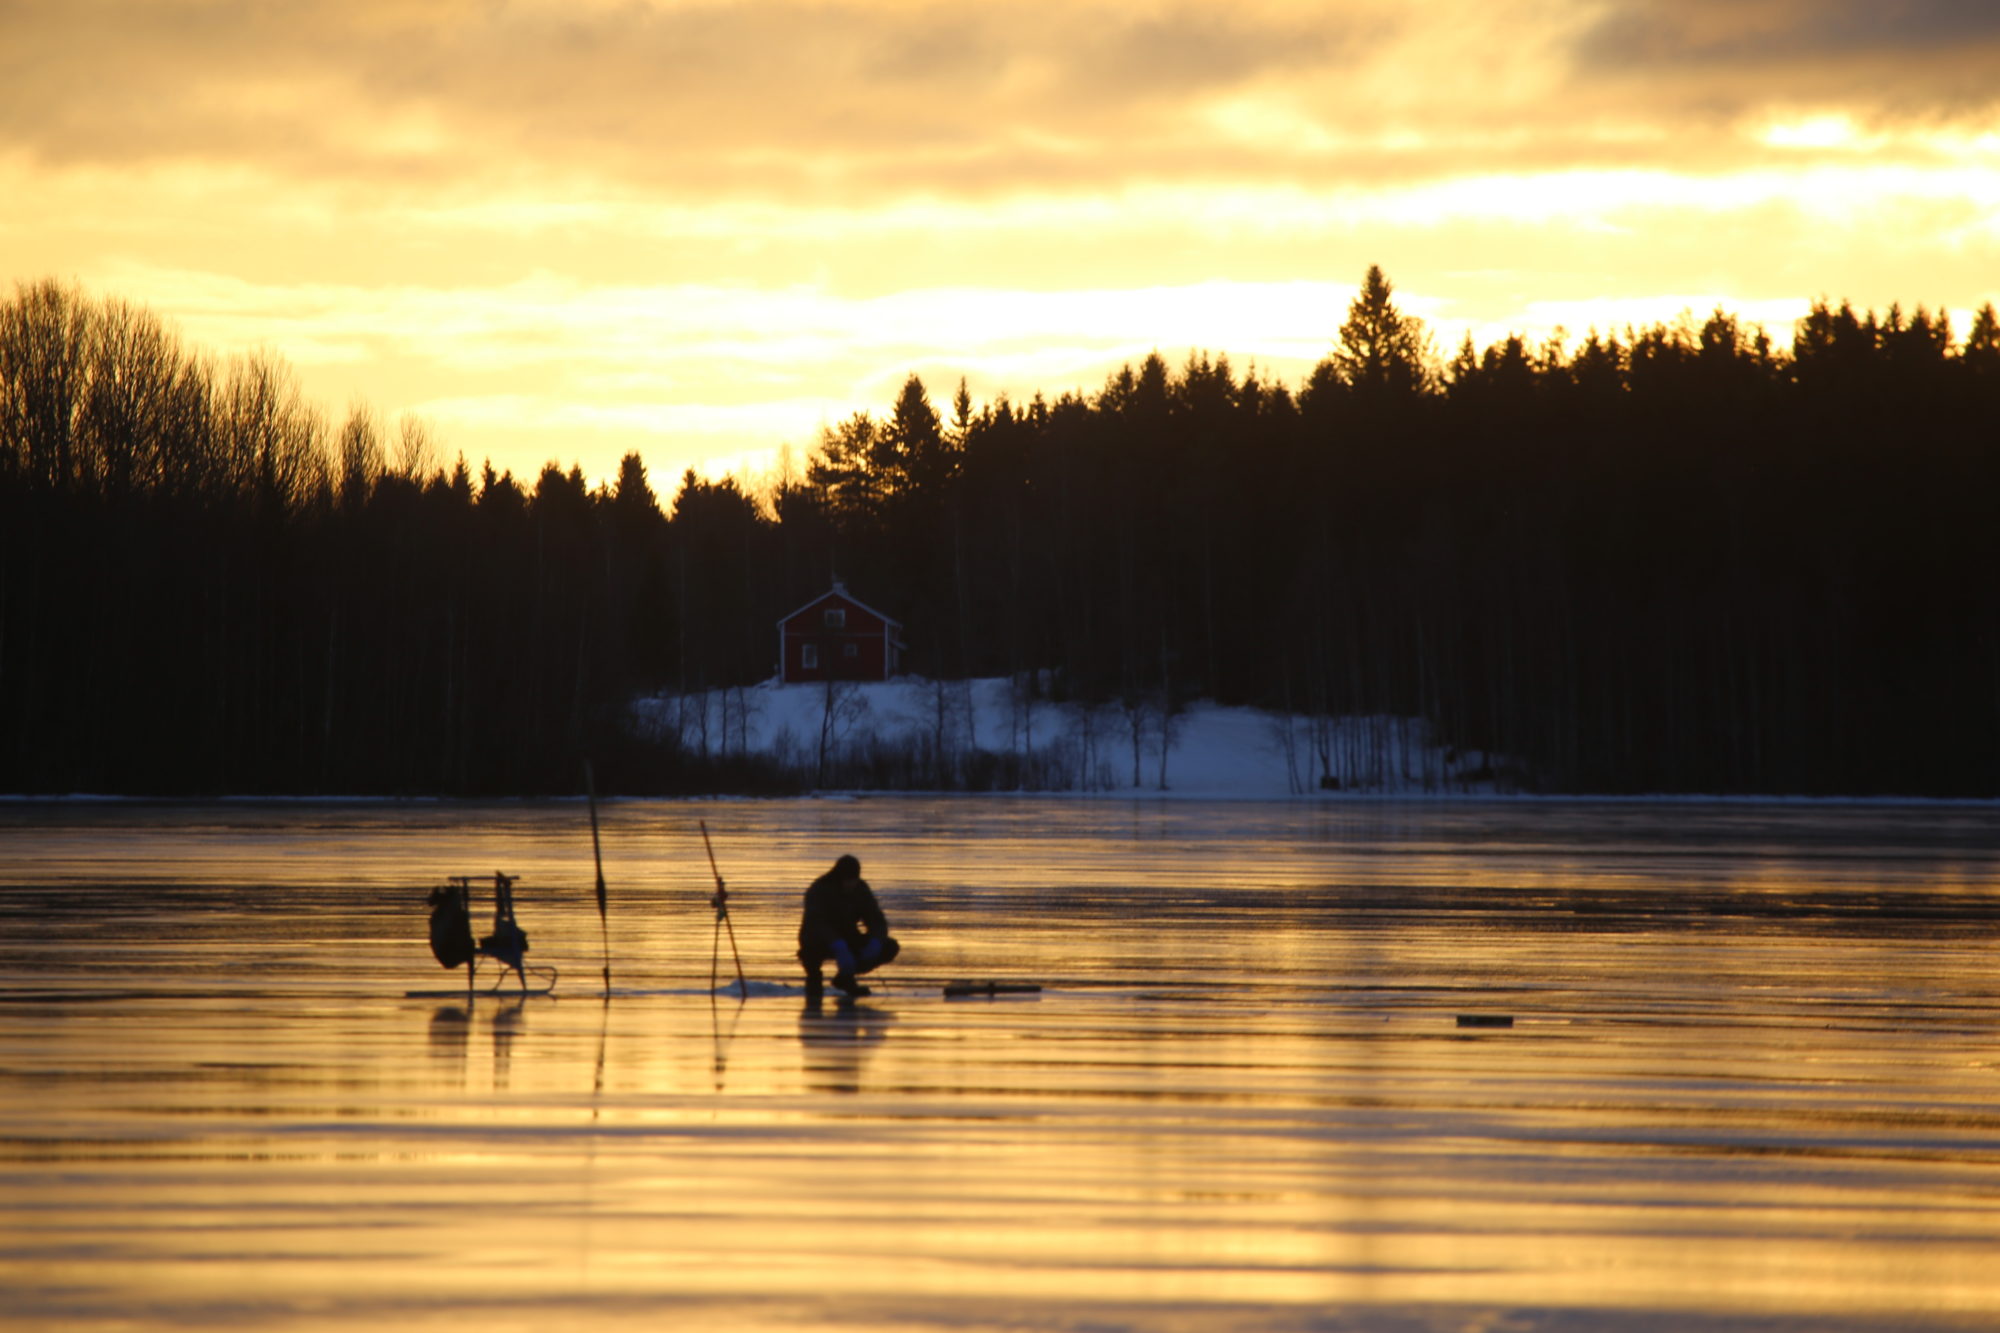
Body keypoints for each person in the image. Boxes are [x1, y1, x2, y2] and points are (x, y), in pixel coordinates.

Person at [798, 854, 899, 1003]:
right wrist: (836, 943)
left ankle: (845, 977)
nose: (850, 884)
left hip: (848, 937)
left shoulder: (860, 889)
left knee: (889, 946)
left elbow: (876, 919)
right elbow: (816, 923)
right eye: (847, 880)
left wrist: (876, 940)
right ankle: (814, 979)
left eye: (853, 880)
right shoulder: (819, 889)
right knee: (811, 956)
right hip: (817, 939)